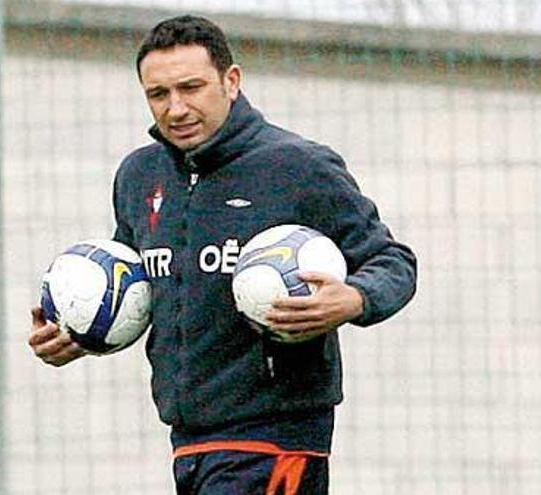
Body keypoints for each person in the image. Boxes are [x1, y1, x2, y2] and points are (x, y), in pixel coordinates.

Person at [28, 14, 417, 494]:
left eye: (191, 88)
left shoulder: (296, 166)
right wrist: (78, 331)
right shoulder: (139, 176)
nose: (176, 108)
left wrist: (355, 298)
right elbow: (135, 285)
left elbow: (392, 261)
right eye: (159, 95)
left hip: (277, 436)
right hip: (188, 440)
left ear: (231, 81)